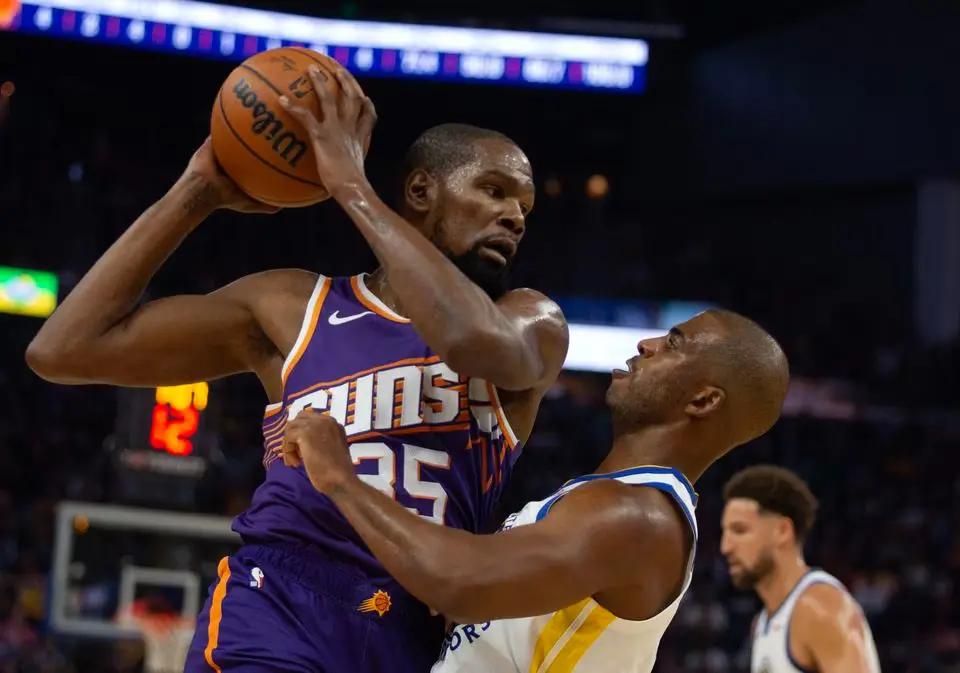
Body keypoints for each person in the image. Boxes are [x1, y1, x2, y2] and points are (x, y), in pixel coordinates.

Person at [26, 65, 568, 672]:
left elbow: (467, 340)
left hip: (414, 626)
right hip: (280, 596)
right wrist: (193, 194)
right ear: (420, 193)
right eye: (494, 191)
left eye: (524, 206)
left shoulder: (530, 322)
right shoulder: (293, 306)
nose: (516, 216)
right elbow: (64, 350)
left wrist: (349, 187)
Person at [281, 309, 790, 672]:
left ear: (703, 400)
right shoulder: (604, 502)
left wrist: (341, 479)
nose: (647, 344)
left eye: (674, 343)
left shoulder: (638, 517)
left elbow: (459, 582)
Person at [721, 465, 882, 673]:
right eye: (724, 532)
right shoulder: (762, 623)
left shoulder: (821, 607)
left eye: (740, 530)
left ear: (782, 531)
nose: (725, 547)